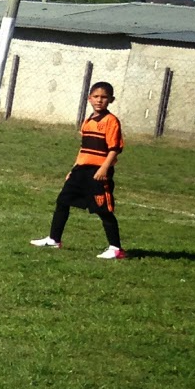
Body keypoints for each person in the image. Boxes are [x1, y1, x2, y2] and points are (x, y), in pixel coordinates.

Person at [30, 81, 126, 259]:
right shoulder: (88, 121)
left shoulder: (111, 121)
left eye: (104, 97)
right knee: (63, 201)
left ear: (111, 100)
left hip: (98, 172)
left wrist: (104, 168)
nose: (99, 100)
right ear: (89, 98)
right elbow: (84, 149)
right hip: (81, 170)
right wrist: (73, 169)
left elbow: (115, 149)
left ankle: (116, 248)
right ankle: (54, 239)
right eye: (96, 97)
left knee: (103, 209)